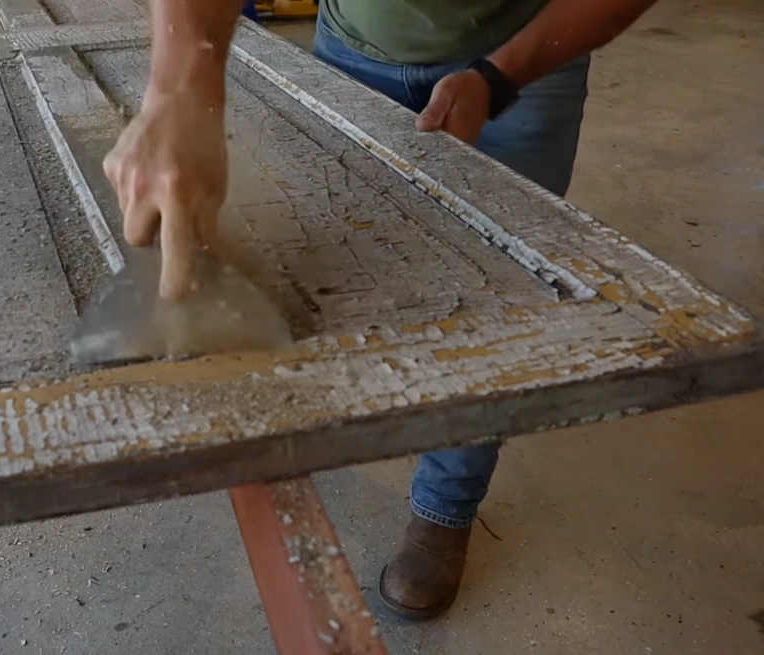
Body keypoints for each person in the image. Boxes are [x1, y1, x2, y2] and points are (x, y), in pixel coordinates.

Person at [103, 0, 659, 620]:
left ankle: (444, 506)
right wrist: (179, 88)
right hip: (354, 48)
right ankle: (319, 430)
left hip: (525, 56)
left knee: (490, 312)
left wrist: (498, 78)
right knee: (332, 274)